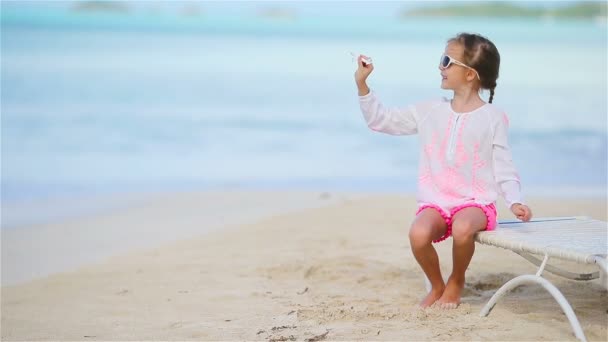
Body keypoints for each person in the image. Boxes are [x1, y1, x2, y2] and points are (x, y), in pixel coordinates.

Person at [354, 33, 532, 309]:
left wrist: (514, 200)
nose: (441, 66)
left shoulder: (493, 117)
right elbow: (382, 121)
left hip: (475, 202)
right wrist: (363, 85)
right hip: (436, 201)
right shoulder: (429, 110)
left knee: (463, 227)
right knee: (418, 234)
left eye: (447, 61)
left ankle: (457, 280)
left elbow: (503, 164)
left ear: (471, 74)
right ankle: (438, 284)